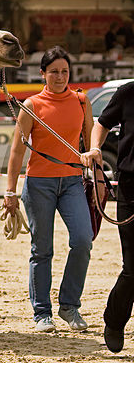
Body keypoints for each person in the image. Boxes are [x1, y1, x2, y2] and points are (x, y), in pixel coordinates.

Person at [4, 46, 93, 333]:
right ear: (42, 73)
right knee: (42, 250)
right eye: (53, 71)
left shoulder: (81, 101)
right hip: (39, 184)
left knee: (83, 240)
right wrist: (10, 192)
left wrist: (93, 155)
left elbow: (90, 144)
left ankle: (69, 306)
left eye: (64, 71)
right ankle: (42, 313)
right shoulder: (31, 105)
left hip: (72, 182)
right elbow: (17, 152)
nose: (60, 76)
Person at [80, 81, 134, 353]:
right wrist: (96, 148)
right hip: (131, 188)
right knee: (133, 268)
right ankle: (114, 321)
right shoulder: (127, 93)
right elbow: (101, 124)